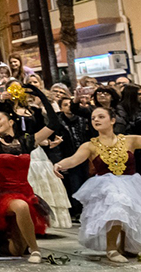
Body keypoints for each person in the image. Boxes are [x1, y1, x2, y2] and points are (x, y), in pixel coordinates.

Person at [53, 107, 141, 262]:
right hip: (106, 185)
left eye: (101, 116)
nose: (96, 120)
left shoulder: (130, 140)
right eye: (93, 118)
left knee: (130, 212)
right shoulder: (90, 146)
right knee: (117, 205)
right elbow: (74, 159)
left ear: (112, 120)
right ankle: (111, 249)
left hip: (131, 182)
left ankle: (125, 246)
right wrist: (59, 164)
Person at [0, 108, 53, 263]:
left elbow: (54, 124)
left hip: (26, 192)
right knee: (21, 206)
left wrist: (36, 92)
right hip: (4, 194)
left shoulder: (26, 142)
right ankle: (36, 250)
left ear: (11, 122)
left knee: (17, 250)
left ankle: (5, 245)